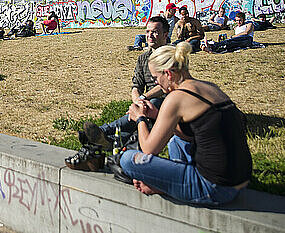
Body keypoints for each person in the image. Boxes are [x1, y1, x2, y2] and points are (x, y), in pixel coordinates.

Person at [114, 42, 251, 205]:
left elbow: (149, 149)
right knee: (176, 141)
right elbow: (191, 132)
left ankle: (166, 186)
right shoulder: (209, 87)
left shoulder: (176, 97)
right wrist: (157, 115)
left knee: (127, 159)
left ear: (168, 74)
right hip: (239, 182)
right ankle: (171, 184)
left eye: (156, 78)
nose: (157, 83)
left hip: (214, 189)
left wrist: (140, 118)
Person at [80, 16, 170, 149]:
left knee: (152, 105)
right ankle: (108, 141)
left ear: (165, 34)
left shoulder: (171, 55)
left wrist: (144, 98)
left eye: (155, 32)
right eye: (148, 32)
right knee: (143, 111)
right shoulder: (143, 58)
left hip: (167, 101)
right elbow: (136, 85)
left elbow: (167, 86)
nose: (150, 35)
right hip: (146, 102)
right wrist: (137, 101)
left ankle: (104, 132)